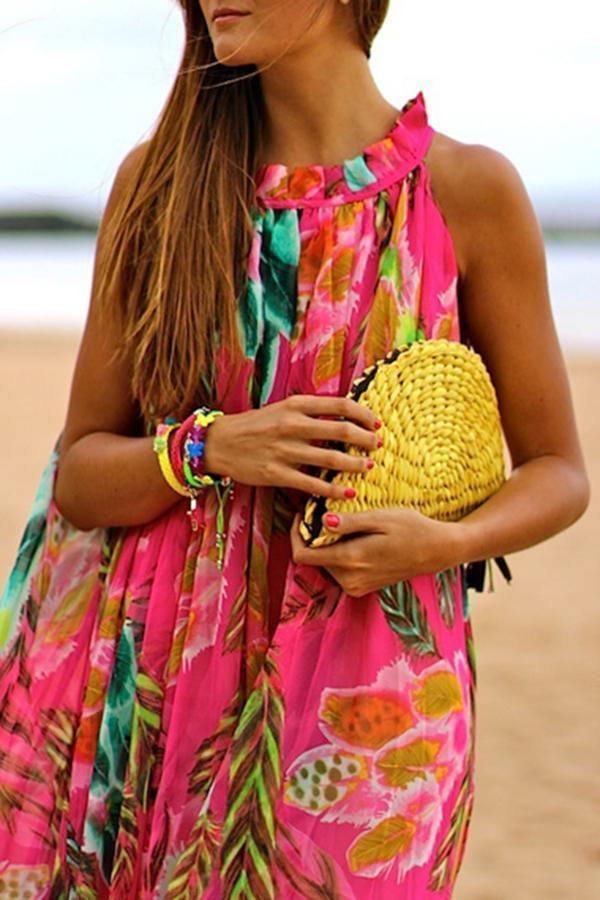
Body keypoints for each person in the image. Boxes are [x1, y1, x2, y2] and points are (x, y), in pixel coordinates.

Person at [0, 0, 590, 896]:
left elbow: (559, 472)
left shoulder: (466, 192)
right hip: (163, 687)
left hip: (374, 705)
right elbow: (82, 475)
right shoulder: (160, 187)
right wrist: (211, 448)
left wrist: (448, 543)